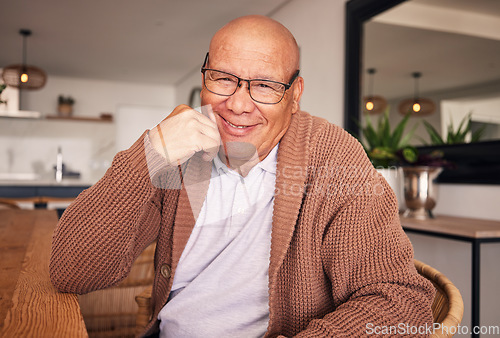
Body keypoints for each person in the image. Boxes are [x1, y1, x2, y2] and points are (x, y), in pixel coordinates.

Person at [50, 15, 434, 337]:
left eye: (265, 85)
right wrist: (148, 156)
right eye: (222, 77)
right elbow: (72, 272)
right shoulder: (178, 150)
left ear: (295, 94)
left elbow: (400, 301)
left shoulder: (334, 158)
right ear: (204, 76)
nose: (236, 104)